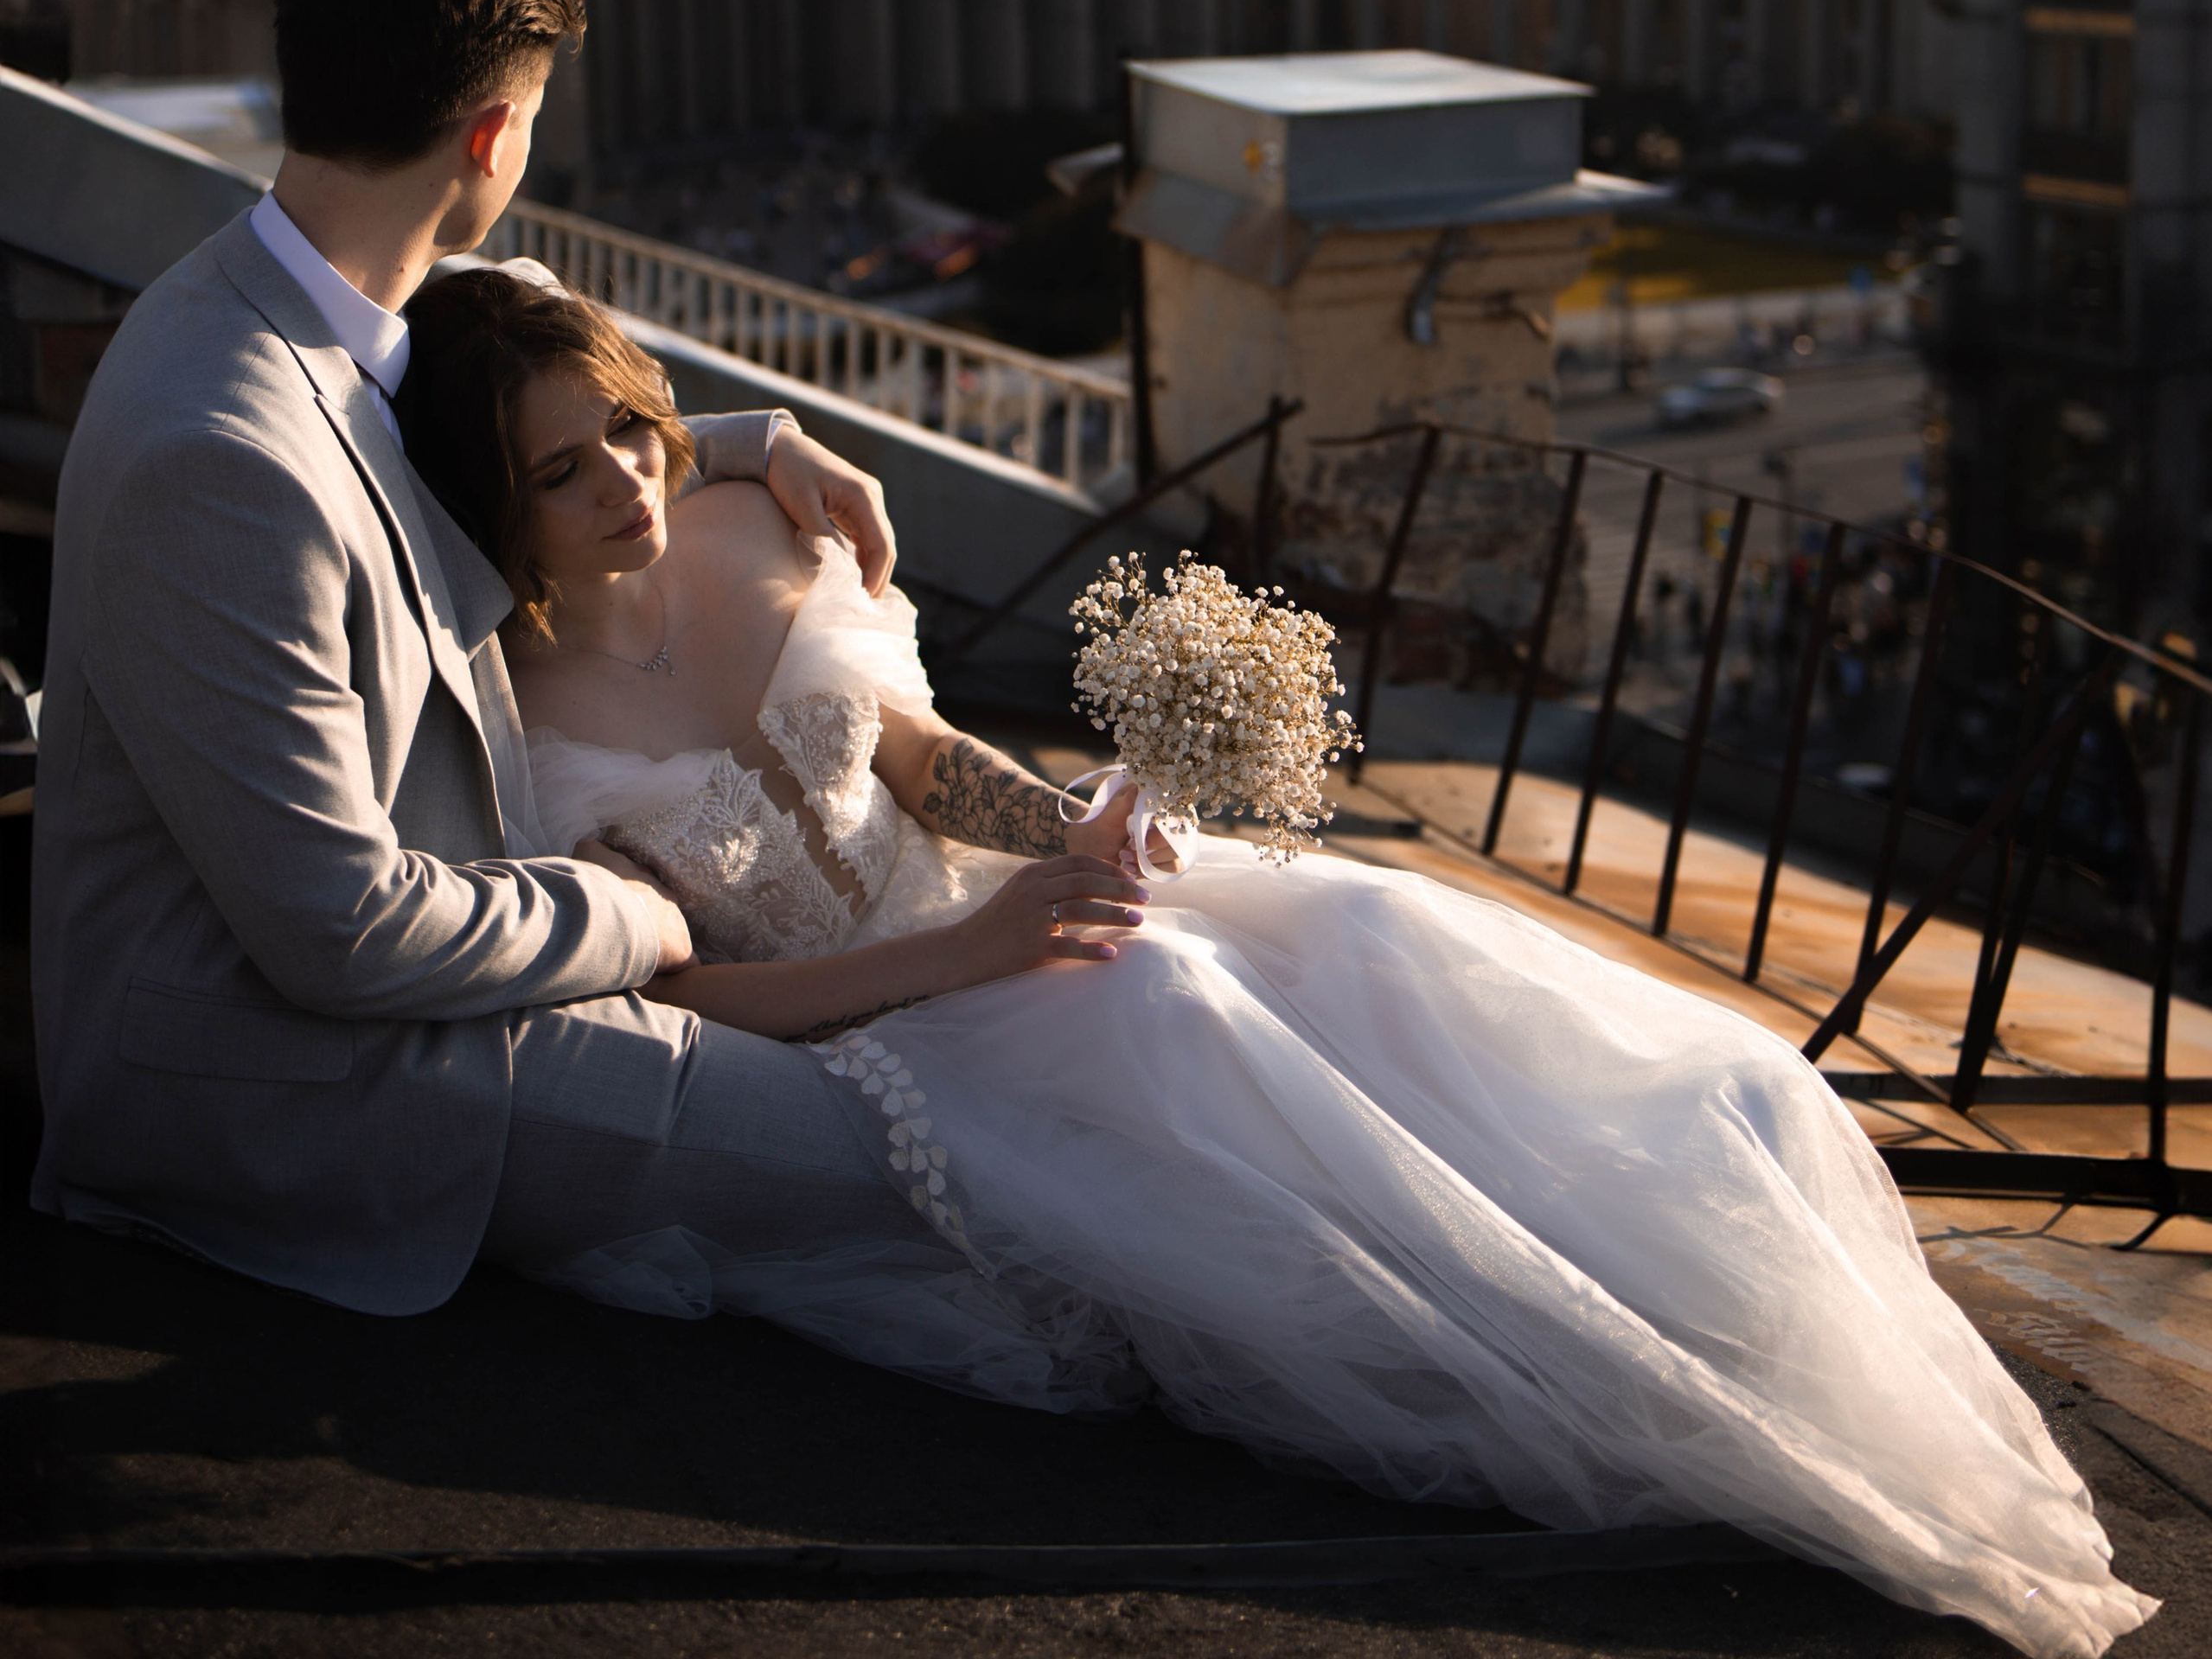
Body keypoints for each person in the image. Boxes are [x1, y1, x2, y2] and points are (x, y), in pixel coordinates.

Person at [397, 264, 2152, 1659]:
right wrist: (970, 955)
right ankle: (1556, 1350)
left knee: (1363, 925)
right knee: (1159, 1006)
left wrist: (1064, 816)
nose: (628, 478)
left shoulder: (745, 515)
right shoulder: (509, 720)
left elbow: (917, 754)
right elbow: (681, 991)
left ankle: (1675, 1274)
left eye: (633, 427)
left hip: (997, 902)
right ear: (495, 499)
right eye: (563, 467)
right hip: (874, 1024)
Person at [29, 0, 953, 1319]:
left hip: (450, 966)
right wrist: (632, 921)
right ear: (491, 136)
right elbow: (336, 934)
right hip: (292, 1067)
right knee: (925, 1168)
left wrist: (743, 437)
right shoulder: (217, 458)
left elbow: (432, 461)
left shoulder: (286, 302)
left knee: (936, 1108)